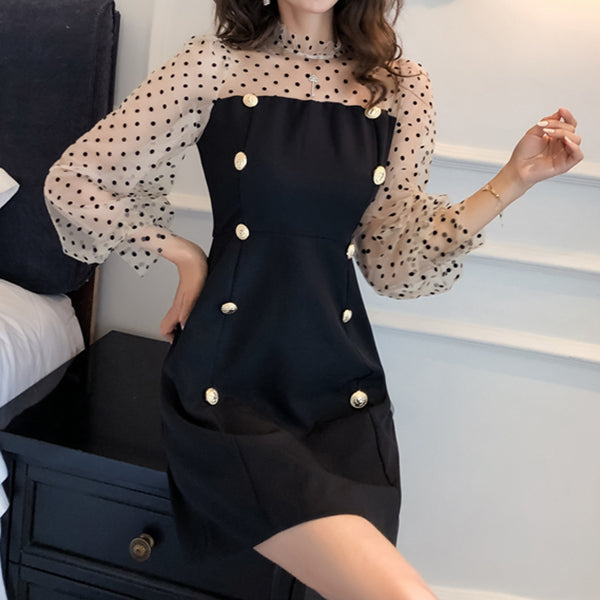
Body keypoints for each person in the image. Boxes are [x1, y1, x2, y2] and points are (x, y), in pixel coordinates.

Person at [43, 0, 583, 598]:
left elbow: (392, 264)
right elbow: (74, 182)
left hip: (340, 386)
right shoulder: (214, 64)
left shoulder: (402, 86)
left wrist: (513, 179)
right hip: (229, 379)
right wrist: (184, 254)